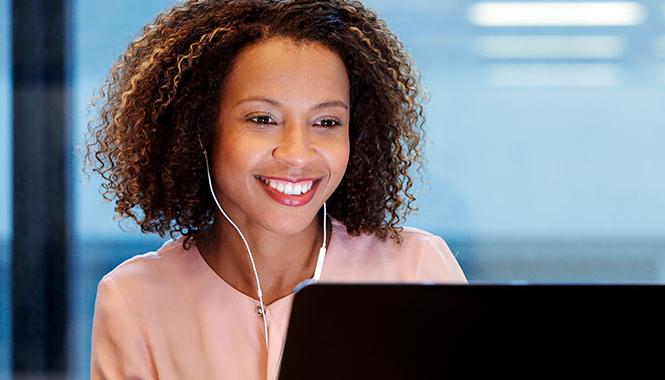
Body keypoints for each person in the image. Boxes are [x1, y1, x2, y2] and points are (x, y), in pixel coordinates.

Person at [86, 1, 467, 379]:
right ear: (199, 130)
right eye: (263, 119)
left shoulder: (416, 271)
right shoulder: (134, 299)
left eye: (327, 121)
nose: (297, 154)